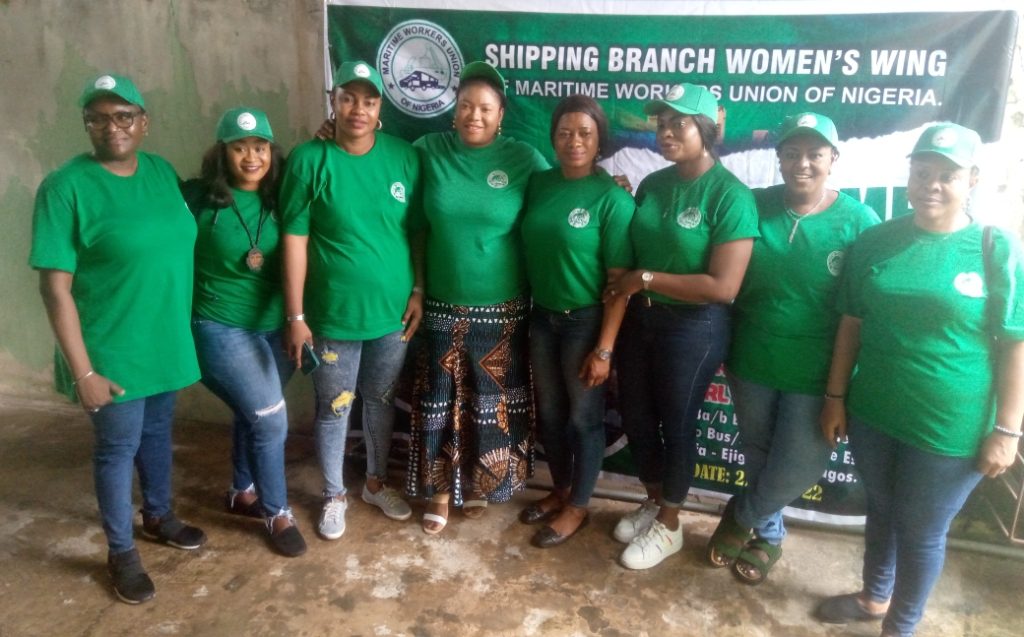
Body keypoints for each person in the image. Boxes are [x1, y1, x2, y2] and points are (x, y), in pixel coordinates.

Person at [816, 122, 1024, 637]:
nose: (931, 184)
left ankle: (901, 627)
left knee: (922, 530)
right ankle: (873, 597)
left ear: (972, 179)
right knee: (882, 511)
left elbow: (1016, 342)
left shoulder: (994, 247)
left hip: (950, 425)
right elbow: (851, 324)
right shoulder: (877, 241)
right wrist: (835, 397)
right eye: (922, 172)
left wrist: (1007, 430)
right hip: (875, 411)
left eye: (947, 175)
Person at [30, 73, 206, 604]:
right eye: (98, 118)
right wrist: (83, 371)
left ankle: (159, 516)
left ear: (143, 122)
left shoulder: (160, 172)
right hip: (111, 350)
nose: (112, 127)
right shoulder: (65, 187)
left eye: (124, 115)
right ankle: (121, 552)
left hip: (163, 342)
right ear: (87, 125)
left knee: (157, 435)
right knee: (117, 448)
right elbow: (54, 289)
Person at [706, 113, 879, 583]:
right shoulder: (753, 204)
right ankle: (769, 535)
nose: (803, 163)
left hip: (818, 372)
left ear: (833, 159)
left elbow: (864, 310)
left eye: (815, 154)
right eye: (792, 153)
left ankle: (741, 515)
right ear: (779, 158)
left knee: (800, 464)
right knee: (758, 454)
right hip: (751, 360)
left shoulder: (859, 221)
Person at [603, 83, 759, 570]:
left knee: (677, 424)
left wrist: (645, 278)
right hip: (642, 319)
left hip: (694, 327)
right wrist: (619, 199)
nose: (667, 132)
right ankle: (655, 501)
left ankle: (670, 525)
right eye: (662, 123)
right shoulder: (653, 183)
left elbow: (724, 286)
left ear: (706, 129)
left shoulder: (730, 195)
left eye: (680, 124)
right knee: (636, 418)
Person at [406, 61, 550, 534]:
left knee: (489, 404)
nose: (474, 115)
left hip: (504, 311)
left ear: (501, 114)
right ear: (453, 110)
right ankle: (440, 492)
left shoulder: (524, 159)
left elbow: (564, 195)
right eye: (466, 105)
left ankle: (479, 482)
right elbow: (410, 216)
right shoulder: (427, 150)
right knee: (440, 400)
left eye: (485, 108)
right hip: (441, 306)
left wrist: (611, 186)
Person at [280, 61, 422, 541]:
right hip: (332, 316)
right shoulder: (308, 160)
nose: (358, 109)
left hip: (392, 315)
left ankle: (376, 484)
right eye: (348, 98)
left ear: (381, 107)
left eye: (369, 100)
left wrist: (419, 290)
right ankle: (334, 493)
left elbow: (417, 232)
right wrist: (296, 315)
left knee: (380, 399)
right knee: (336, 405)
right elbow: (294, 239)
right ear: (333, 100)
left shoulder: (405, 157)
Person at [185, 107, 306, 557]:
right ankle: (277, 512)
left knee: (251, 412)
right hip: (218, 326)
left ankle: (241, 491)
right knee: (270, 418)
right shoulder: (198, 199)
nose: (251, 157)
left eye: (260, 147)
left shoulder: (283, 194)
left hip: (276, 328)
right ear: (222, 153)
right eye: (239, 148)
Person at [518, 95, 634, 548]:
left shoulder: (612, 199)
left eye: (585, 133)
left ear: (600, 140)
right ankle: (561, 490)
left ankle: (579, 506)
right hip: (542, 318)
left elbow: (619, 284)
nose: (574, 141)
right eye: (565, 133)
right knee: (550, 414)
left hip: (585, 323)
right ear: (553, 138)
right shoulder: (539, 184)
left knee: (584, 419)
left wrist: (604, 349)